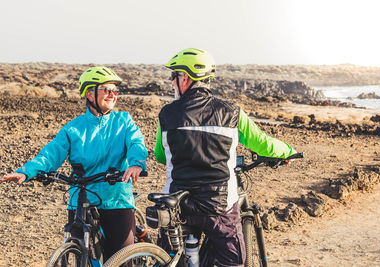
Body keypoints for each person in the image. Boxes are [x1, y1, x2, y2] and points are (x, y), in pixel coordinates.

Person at [154, 48, 296, 266]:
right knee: (233, 260)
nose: (172, 82)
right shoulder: (231, 112)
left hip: (179, 203)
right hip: (218, 206)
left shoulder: (167, 114)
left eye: (174, 76)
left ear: (186, 78)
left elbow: (161, 155)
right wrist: (287, 151)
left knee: (166, 258)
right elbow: (264, 144)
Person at [0, 66, 148, 262]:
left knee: (122, 259)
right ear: (90, 93)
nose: (112, 95)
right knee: (83, 258)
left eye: (115, 91)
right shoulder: (73, 129)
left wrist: (137, 163)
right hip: (82, 201)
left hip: (117, 199)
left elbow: (136, 142)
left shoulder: (124, 121)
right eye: (107, 90)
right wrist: (26, 172)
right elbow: (50, 155)